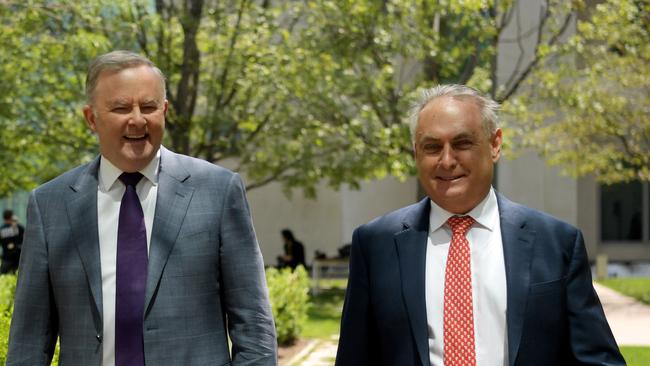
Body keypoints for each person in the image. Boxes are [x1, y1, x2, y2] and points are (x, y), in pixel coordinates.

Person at [7, 51, 277, 366]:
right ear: (91, 118)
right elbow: (29, 340)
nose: (137, 119)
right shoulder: (50, 204)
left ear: (164, 111)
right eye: (121, 108)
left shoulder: (217, 190)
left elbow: (254, 325)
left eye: (148, 107)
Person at [335, 84, 625, 366]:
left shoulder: (557, 243)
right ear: (416, 153)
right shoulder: (376, 245)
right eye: (432, 147)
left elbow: (598, 359)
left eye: (462, 143)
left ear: (495, 144)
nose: (447, 160)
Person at [0, 209, 24, 274]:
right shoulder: (17, 227)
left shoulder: (1, 229)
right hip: (17, 257)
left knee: (2, 275)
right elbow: (24, 234)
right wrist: (17, 222)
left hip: (6, 257)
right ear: (11, 216)